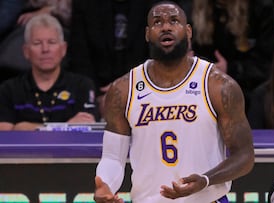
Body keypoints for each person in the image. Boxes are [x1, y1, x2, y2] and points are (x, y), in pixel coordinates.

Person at [93, 1, 255, 202]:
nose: (166, 27)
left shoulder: (218, 85)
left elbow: (244, 156)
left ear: (188, 31)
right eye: (157, 22)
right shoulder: (123, 90)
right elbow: (113, 158)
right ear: (146, 33)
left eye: (174, 21)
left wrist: (206, 180)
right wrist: (106, 185)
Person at [0, 14, 99, 131]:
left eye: (51, 42)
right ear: (26, 51)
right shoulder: (8, 90)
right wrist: (65, 126)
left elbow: (86, 127)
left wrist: (23, 127)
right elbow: (5, 132)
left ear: (63, 49)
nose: (45, 49)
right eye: (37, 43)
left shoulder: (83, 86)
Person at [68, 0, 162, 119]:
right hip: (97, 90)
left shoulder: (151, 6)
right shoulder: (85, 5)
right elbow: (80, 57)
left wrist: (127, 86)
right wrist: (97, 94)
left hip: (141, 88)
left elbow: (155, 56)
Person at [188, 0, 274, 111]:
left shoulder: (260, 8)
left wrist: (231, 69)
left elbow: (267, 63)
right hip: (204, 88)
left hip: (249, 89)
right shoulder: (192, 10)